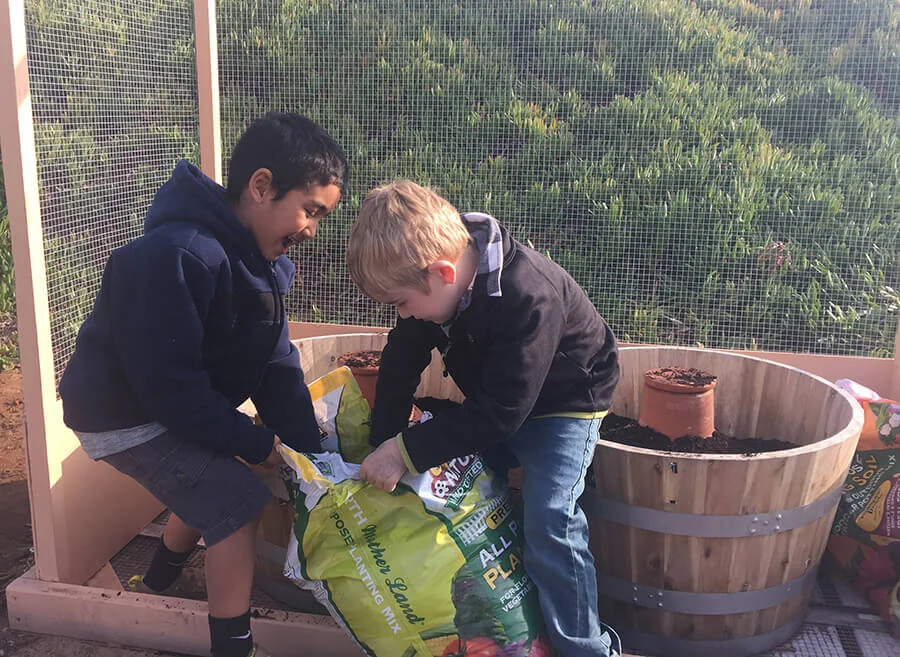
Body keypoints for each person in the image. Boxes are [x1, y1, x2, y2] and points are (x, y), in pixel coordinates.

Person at [58, 112, 348, 657]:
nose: (312, 229)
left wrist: (314, 451)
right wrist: (259, 444)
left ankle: (159, 580)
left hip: (166, 406)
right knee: (235, 504)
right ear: (261, 186)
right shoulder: (177, 255)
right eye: (310, 210)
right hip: (125, 417)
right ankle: (233, 646)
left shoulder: (255, 264)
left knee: (209, 481)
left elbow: (277, 363)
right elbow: (170, 390)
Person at [345, 180, 621, 657]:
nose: (403, 315)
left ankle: (586, 648)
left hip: (565, 404)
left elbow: (502, 412)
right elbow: (399, 366)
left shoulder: (527, 296)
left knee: (551, 518)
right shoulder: (434, 289)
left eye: (401, 304)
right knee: (456, 467)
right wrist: (385, 440)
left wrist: (407, 452)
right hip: (501, 403)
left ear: (442, 272)